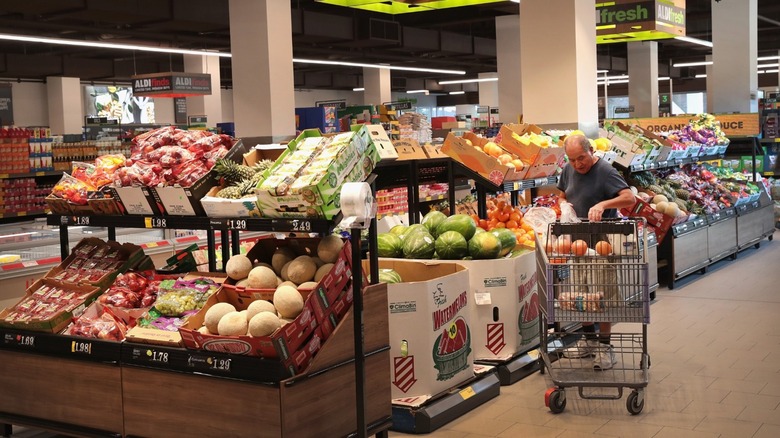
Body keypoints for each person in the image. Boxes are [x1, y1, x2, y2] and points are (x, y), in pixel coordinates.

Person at [557, 134, 636, 370]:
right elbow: (563, 192)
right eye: (572, 160)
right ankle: (588, 341)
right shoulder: (568, 170)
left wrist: (603, 205)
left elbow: (629, 198)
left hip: (603, 244)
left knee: (603, 297)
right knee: (581, 296)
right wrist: (562, 204)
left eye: (581, 157)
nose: (578, 164)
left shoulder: (604, 171)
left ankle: (605, 347)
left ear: (591, 150)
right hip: (576, 243)